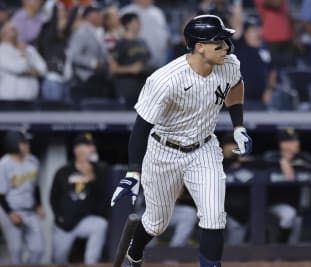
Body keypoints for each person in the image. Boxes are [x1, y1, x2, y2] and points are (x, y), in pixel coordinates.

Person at [110, 15, 253, 267]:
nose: (226, 47)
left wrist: (238, 125)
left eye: (225, 42)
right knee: (157, 223)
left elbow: (236, 86)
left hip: (204, 148)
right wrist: (134, 171)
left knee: (214, 216)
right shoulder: (165, 80)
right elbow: (141, 127)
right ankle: (134, 253)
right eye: (218, 43)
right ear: (199, 46)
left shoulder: (229, 64)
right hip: (164, 150)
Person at [50, 133, 110, 264]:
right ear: (77, 150)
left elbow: (103, 197)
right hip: (64, 223)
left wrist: (91, 177)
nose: (92, 149)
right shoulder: (64, 171)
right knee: (59, 259)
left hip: (83, 221)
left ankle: (91, 263)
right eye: (88, 145)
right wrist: (59, 217)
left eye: (92, 145)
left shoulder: (98, 171)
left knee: (100, 225)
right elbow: (53, 197)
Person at [0, 131, 45, 264]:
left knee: (38, 250)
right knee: (16, 251)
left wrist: (39, 205)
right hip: (10, 210)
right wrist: (10, 213)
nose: (27, 145)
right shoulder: (3, 165)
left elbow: (36, 186)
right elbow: (0, 194)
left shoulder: (32, 160)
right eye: (23, 143)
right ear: (12, 145)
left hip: (29, 210)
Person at [264, 128, 311, 243]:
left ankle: (284, 250)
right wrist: (282, 161)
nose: (297, 143)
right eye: (291, 141)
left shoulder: (303, 157)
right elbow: (265, 160)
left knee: (294, 240)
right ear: (282, 144)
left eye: (296, 140)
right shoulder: (272, 156)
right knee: (289, 214)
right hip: (274, 204)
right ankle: (281, 245)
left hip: (297, 206)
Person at [68, 4, 110, 99]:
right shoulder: (82, 32)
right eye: (97, 13)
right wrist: (93, 63)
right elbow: (73, 55)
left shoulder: (98, 31)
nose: (101, 15)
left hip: (99, 77)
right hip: (85, 78)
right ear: (88, 15)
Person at [234, 17, 277, 110]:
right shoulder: (239, 48)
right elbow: (236, 26)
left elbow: (272, 71)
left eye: (258, 29)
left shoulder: (264, 49)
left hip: (262, 99)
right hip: (242, 100)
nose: (257, 32)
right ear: (245, 33)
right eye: (253, 30)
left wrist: (269, 89)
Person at [110, 13, 150, 106]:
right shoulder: (121, 43)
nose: (139, 24)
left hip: (142, 84)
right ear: (128, 24)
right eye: (136, 22)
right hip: (126, 85)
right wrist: (131, 69)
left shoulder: (143, 42)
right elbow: (113, 68)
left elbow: (147, 59)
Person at [0, 22, 47, 101]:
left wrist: (27, 71)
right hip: (8, 99)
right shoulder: (2, 50)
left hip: (31, 98)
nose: (13, 32)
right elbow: (18, 68)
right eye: (10, 30)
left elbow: (43, 68)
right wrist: (23, 53)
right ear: (2, 34)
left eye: (14, 30)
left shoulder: (28, 48)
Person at [120, 0, 168, 69]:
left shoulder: (158, 12)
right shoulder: (126, 12)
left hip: (158, 64)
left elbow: (165, 35)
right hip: (133, 68)